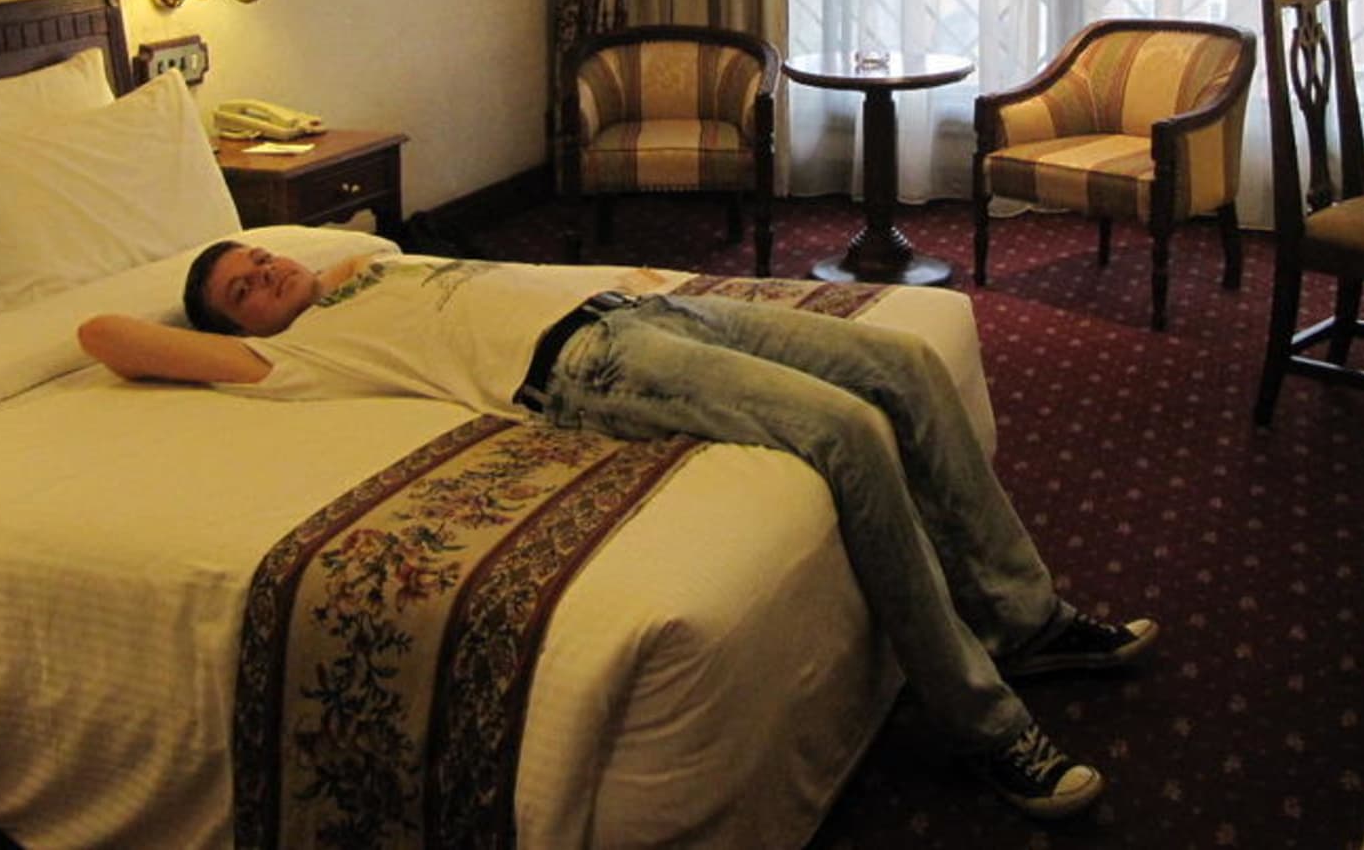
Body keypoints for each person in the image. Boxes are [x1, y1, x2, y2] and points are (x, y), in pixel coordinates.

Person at [78, 241, 1157, 820]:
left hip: (645, 309)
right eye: (244, 290)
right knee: (848, 432)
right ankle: (985, 724)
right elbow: (104, 331)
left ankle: (1024, 617)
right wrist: (195, 298)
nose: (268, 275)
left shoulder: (366, 268)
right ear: (239, 327)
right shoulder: (290, 358)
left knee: (907, 364)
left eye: (260, 259)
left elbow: (325, 256)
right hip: (590, 367)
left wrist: (330, 264)